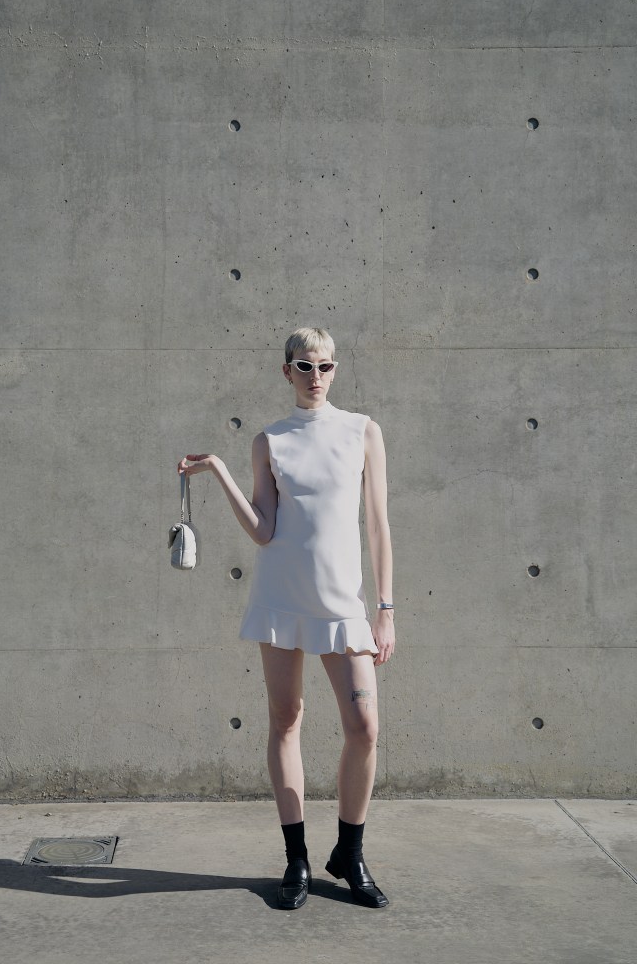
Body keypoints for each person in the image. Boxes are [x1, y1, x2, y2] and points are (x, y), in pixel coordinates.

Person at [177, 326, 394, 910]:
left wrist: (385, 609)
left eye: (325, 366)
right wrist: (220, 470)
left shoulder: (362, 430)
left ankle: (350, 852)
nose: (315, 377)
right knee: (286, 720)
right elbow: (264, 530)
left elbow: (377, 526)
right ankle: (296, 859)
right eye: (304, 366)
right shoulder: (270, 441)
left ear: (335, 369)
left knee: (364, 728)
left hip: (343, 603)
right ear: (286, 371)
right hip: (280, 599)